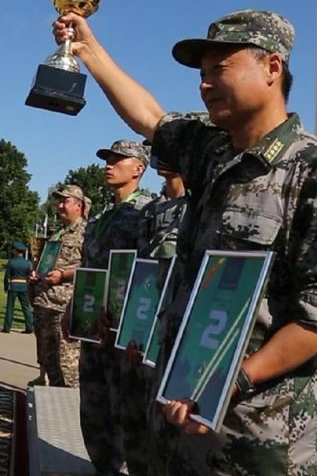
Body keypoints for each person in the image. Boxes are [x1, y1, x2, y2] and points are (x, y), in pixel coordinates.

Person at [52, 9, 317, 475]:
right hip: (177, 425)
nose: (204, 84)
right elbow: (151, 118)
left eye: (219, 69)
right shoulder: (212, 150)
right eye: (201, 75)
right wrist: (87, 48)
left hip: (259, 439)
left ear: (272, 68)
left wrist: (229, 379)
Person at [75, 140, 153, 476]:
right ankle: (101, 466)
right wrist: (72, 310)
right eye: (108, 159)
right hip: (92, 326)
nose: (110, 164)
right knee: (94, 406)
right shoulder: (102, 217)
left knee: (125, 408)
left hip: (124, 331)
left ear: (139, 168)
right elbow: (87, 264)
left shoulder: (148, 212)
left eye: (119, 159)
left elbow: (150, 273)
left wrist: (127, 320)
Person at [123, 154, 186, 475]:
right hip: (145, 334)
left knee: (172, 439)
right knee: (137, 428)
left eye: (169, 148)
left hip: (182, 343)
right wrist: (130, 329)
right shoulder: (150, 212)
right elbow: (140, 273)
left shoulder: (201, 208)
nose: (161, 154)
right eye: (155, 148)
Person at [29, 185, 87, 387]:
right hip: (44, 304)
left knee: (68, 366)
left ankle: (72, 414)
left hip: (65, 307)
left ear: (78, 206)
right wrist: (37, 273)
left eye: (65, 201)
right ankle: (54, 404)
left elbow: (92, 267)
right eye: (59, 201)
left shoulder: (86, 232)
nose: (60, 205)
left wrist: (63, 275)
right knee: (49, 362)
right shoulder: (56, 234)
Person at [2, 242, 33, 334]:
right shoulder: (28, 263)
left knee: (10, 307)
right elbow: (29, 276)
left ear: (16, 251)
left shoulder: (11, 262)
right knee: (26, 308)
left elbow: (7, 276)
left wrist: (6, 286)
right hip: (24, 286)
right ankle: (29, 327)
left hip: (13, 285)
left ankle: (7, 327)